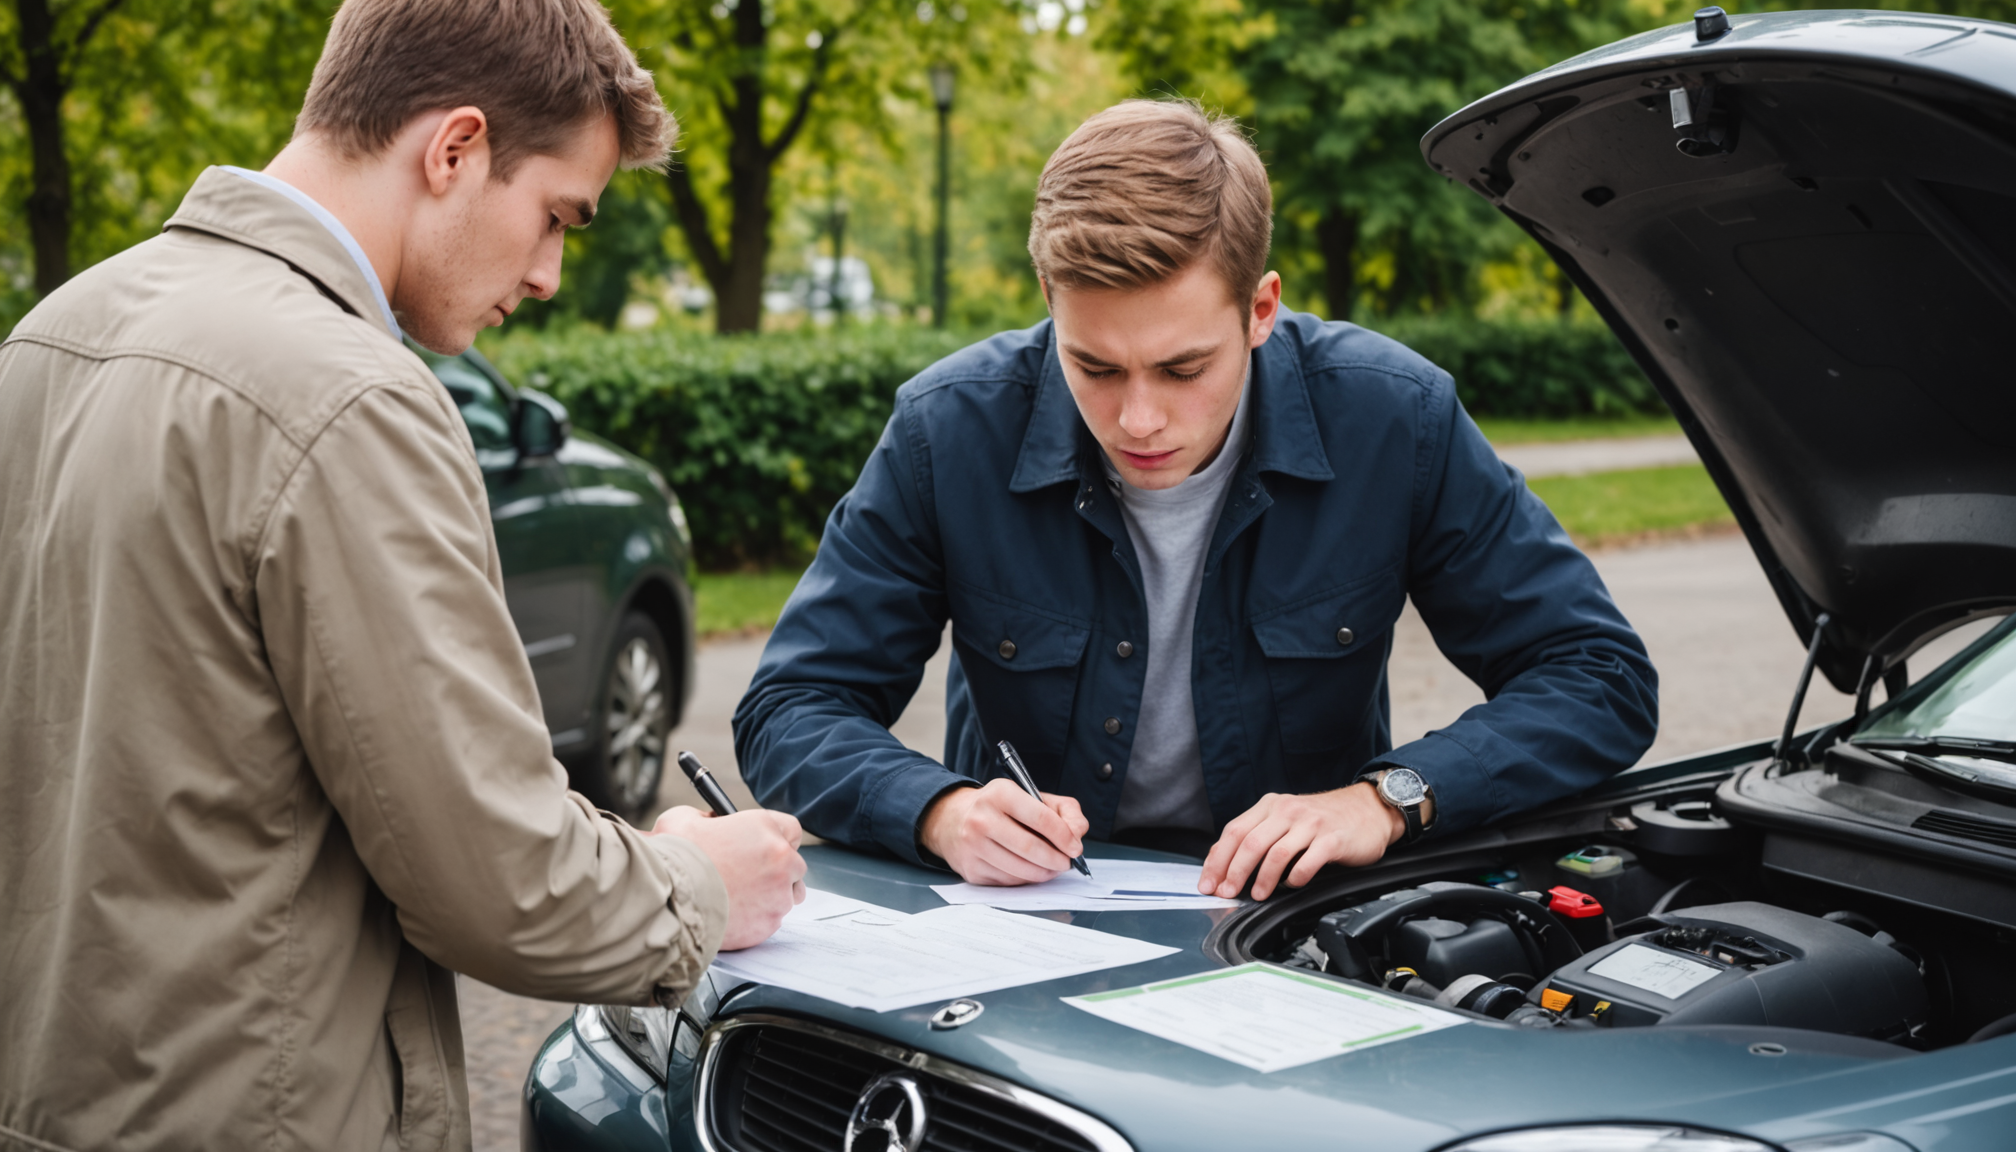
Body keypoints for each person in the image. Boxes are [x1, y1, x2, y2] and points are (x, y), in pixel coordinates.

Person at [0, 2, 804, 1149]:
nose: (548, 274)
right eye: (555, 218)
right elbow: (499, 881)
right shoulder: (350, 397)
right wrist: (699, 882)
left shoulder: (48, 338)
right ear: (455, 149)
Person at [734, 99, 1656, 904]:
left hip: (1288, 925)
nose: (1139, 419)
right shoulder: (950, 429)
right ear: (1049, 300)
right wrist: (939, 811)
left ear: (1260, 310)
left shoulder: (1394, 418)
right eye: (1093, 365)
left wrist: (1388, 799)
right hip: (1027, 930)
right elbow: (791, 706)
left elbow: (1597, 677)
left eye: (1183, 368)